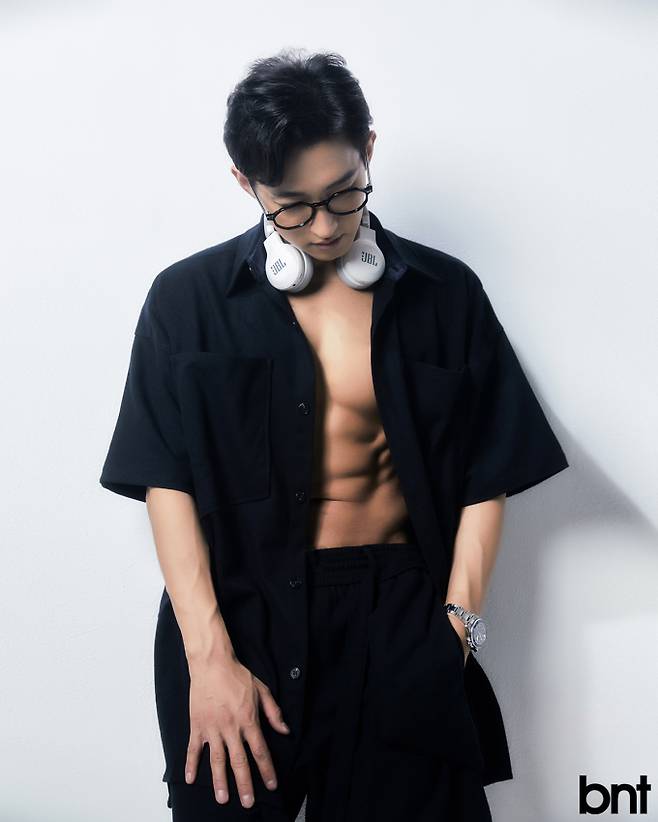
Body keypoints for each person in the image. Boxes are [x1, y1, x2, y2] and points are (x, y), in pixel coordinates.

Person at [99, 48, 569, 821]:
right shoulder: (187, 301)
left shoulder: (445, 293)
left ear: (368, 150)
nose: (324, 226)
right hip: (239, 621)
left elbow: (490, 471)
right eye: (292, 206)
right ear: (245, 184)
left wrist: (455, 627)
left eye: (345, 193)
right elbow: (165, 480)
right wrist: (208, 661)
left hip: (399, 620)